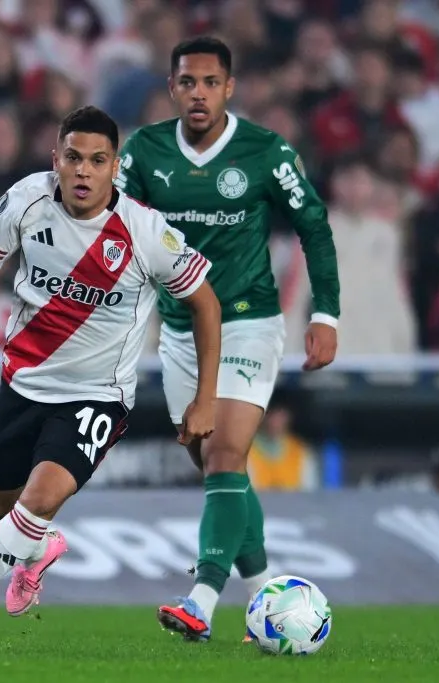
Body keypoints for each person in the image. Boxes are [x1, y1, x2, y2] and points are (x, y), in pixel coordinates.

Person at [0, 105, 222, 651]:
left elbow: (206, 306)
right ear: (56, 159)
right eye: (73, 157)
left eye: (97, 161)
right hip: (25, 382)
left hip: (99, 395)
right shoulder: (27, 199)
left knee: (40, 494)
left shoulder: (144, 232)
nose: (83, 171)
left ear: (114, 167)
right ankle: (39, 546)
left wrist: (205, 398)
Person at [114, 36, 340, 641]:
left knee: (223, 454)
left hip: (248, 319)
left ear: (229, 89)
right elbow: (113, 228)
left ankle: (200, 602)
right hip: (181, 330)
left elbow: (313, 226)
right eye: (188, 82)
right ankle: (268, 597)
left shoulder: (266, 152)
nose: (199, 94)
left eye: (211, 83)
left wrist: (326, 316)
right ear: (172, 88)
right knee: (224, 472)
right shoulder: (145, 152)